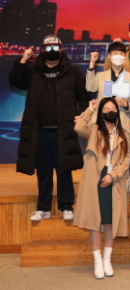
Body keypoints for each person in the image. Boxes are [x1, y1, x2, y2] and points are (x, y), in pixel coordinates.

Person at [9, 34, 90, 221]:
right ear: (42, 50)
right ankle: (43, 208)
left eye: (55, 48)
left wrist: (82, 115)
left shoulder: (72, 71)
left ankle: (66, 206)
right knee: (43, 170)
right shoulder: (33, 70)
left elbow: (84, 95)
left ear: (61, 49)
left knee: (64, 169)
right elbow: (17, 81)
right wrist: (22, 60)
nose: (52, 51)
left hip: (64, 130)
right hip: (39, 131)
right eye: (48, 48)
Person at [74, 98, 130, 279]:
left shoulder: (124, 134)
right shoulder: (94, 130)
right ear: (101, 113)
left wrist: (113, 175)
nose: (110, 111)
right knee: (93, 223)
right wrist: (90, 109)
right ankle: (97, 261)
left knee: (109, 222)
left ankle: (107, 260)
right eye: (106, 109)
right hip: (95, 179)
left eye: (113, 108)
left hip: (114, 180)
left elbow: (127, 159)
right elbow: (78, 127)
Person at [87, 42, 130, 132]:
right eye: (115, 53)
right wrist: (92, 64)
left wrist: (125, 104)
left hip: (123, 125)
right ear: (109, 56)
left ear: (125, 56)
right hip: (101, 125)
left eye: (121, 54)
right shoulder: (100, 76)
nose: (118, 56)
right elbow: (90, 87)